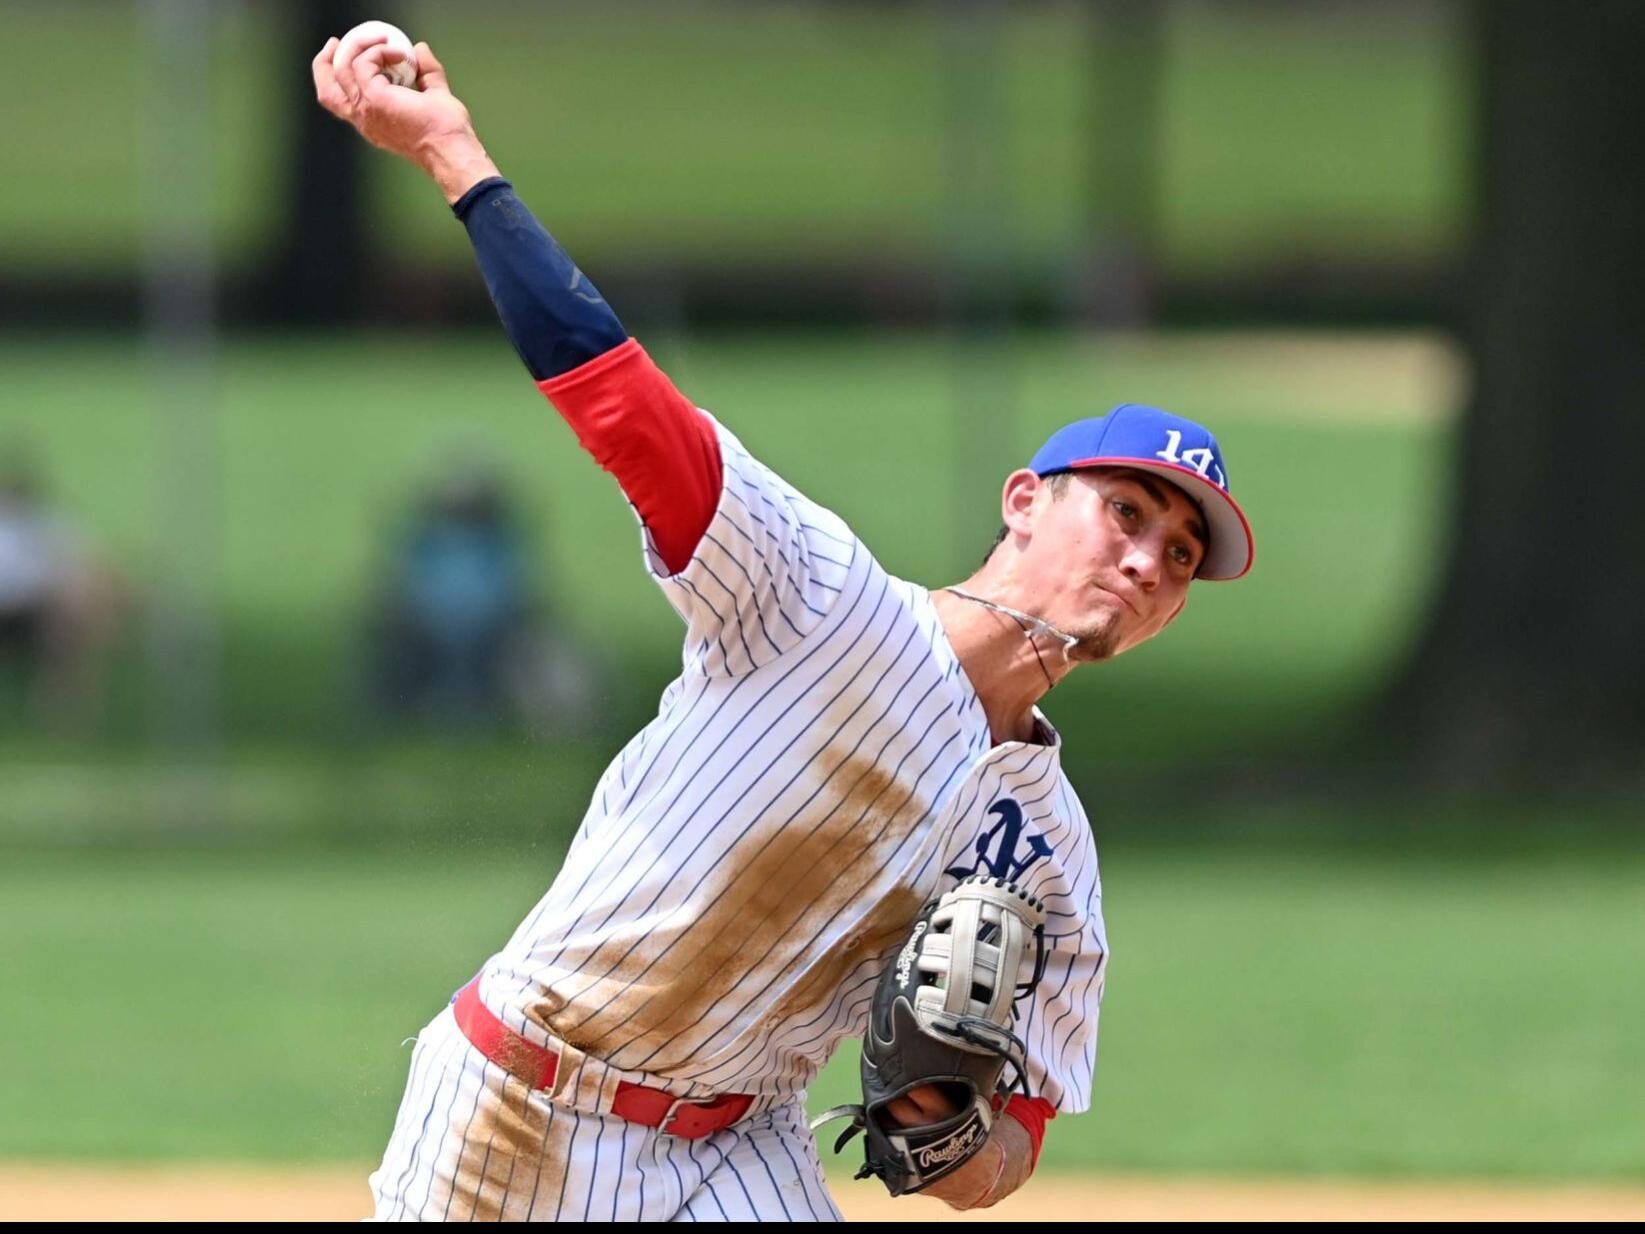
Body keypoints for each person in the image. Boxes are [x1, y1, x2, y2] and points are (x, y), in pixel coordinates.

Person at [313, 33, 1253, 1222]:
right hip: (518, 1105)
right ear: (1024, 501)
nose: (1144, 559)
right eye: (1124, 510)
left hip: (735, 1149)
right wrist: (454, 153)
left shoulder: (1049, 854)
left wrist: (937, 1122)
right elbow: (623, 404)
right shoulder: (817, 599)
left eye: (1178, 556)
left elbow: (1003, 1160)